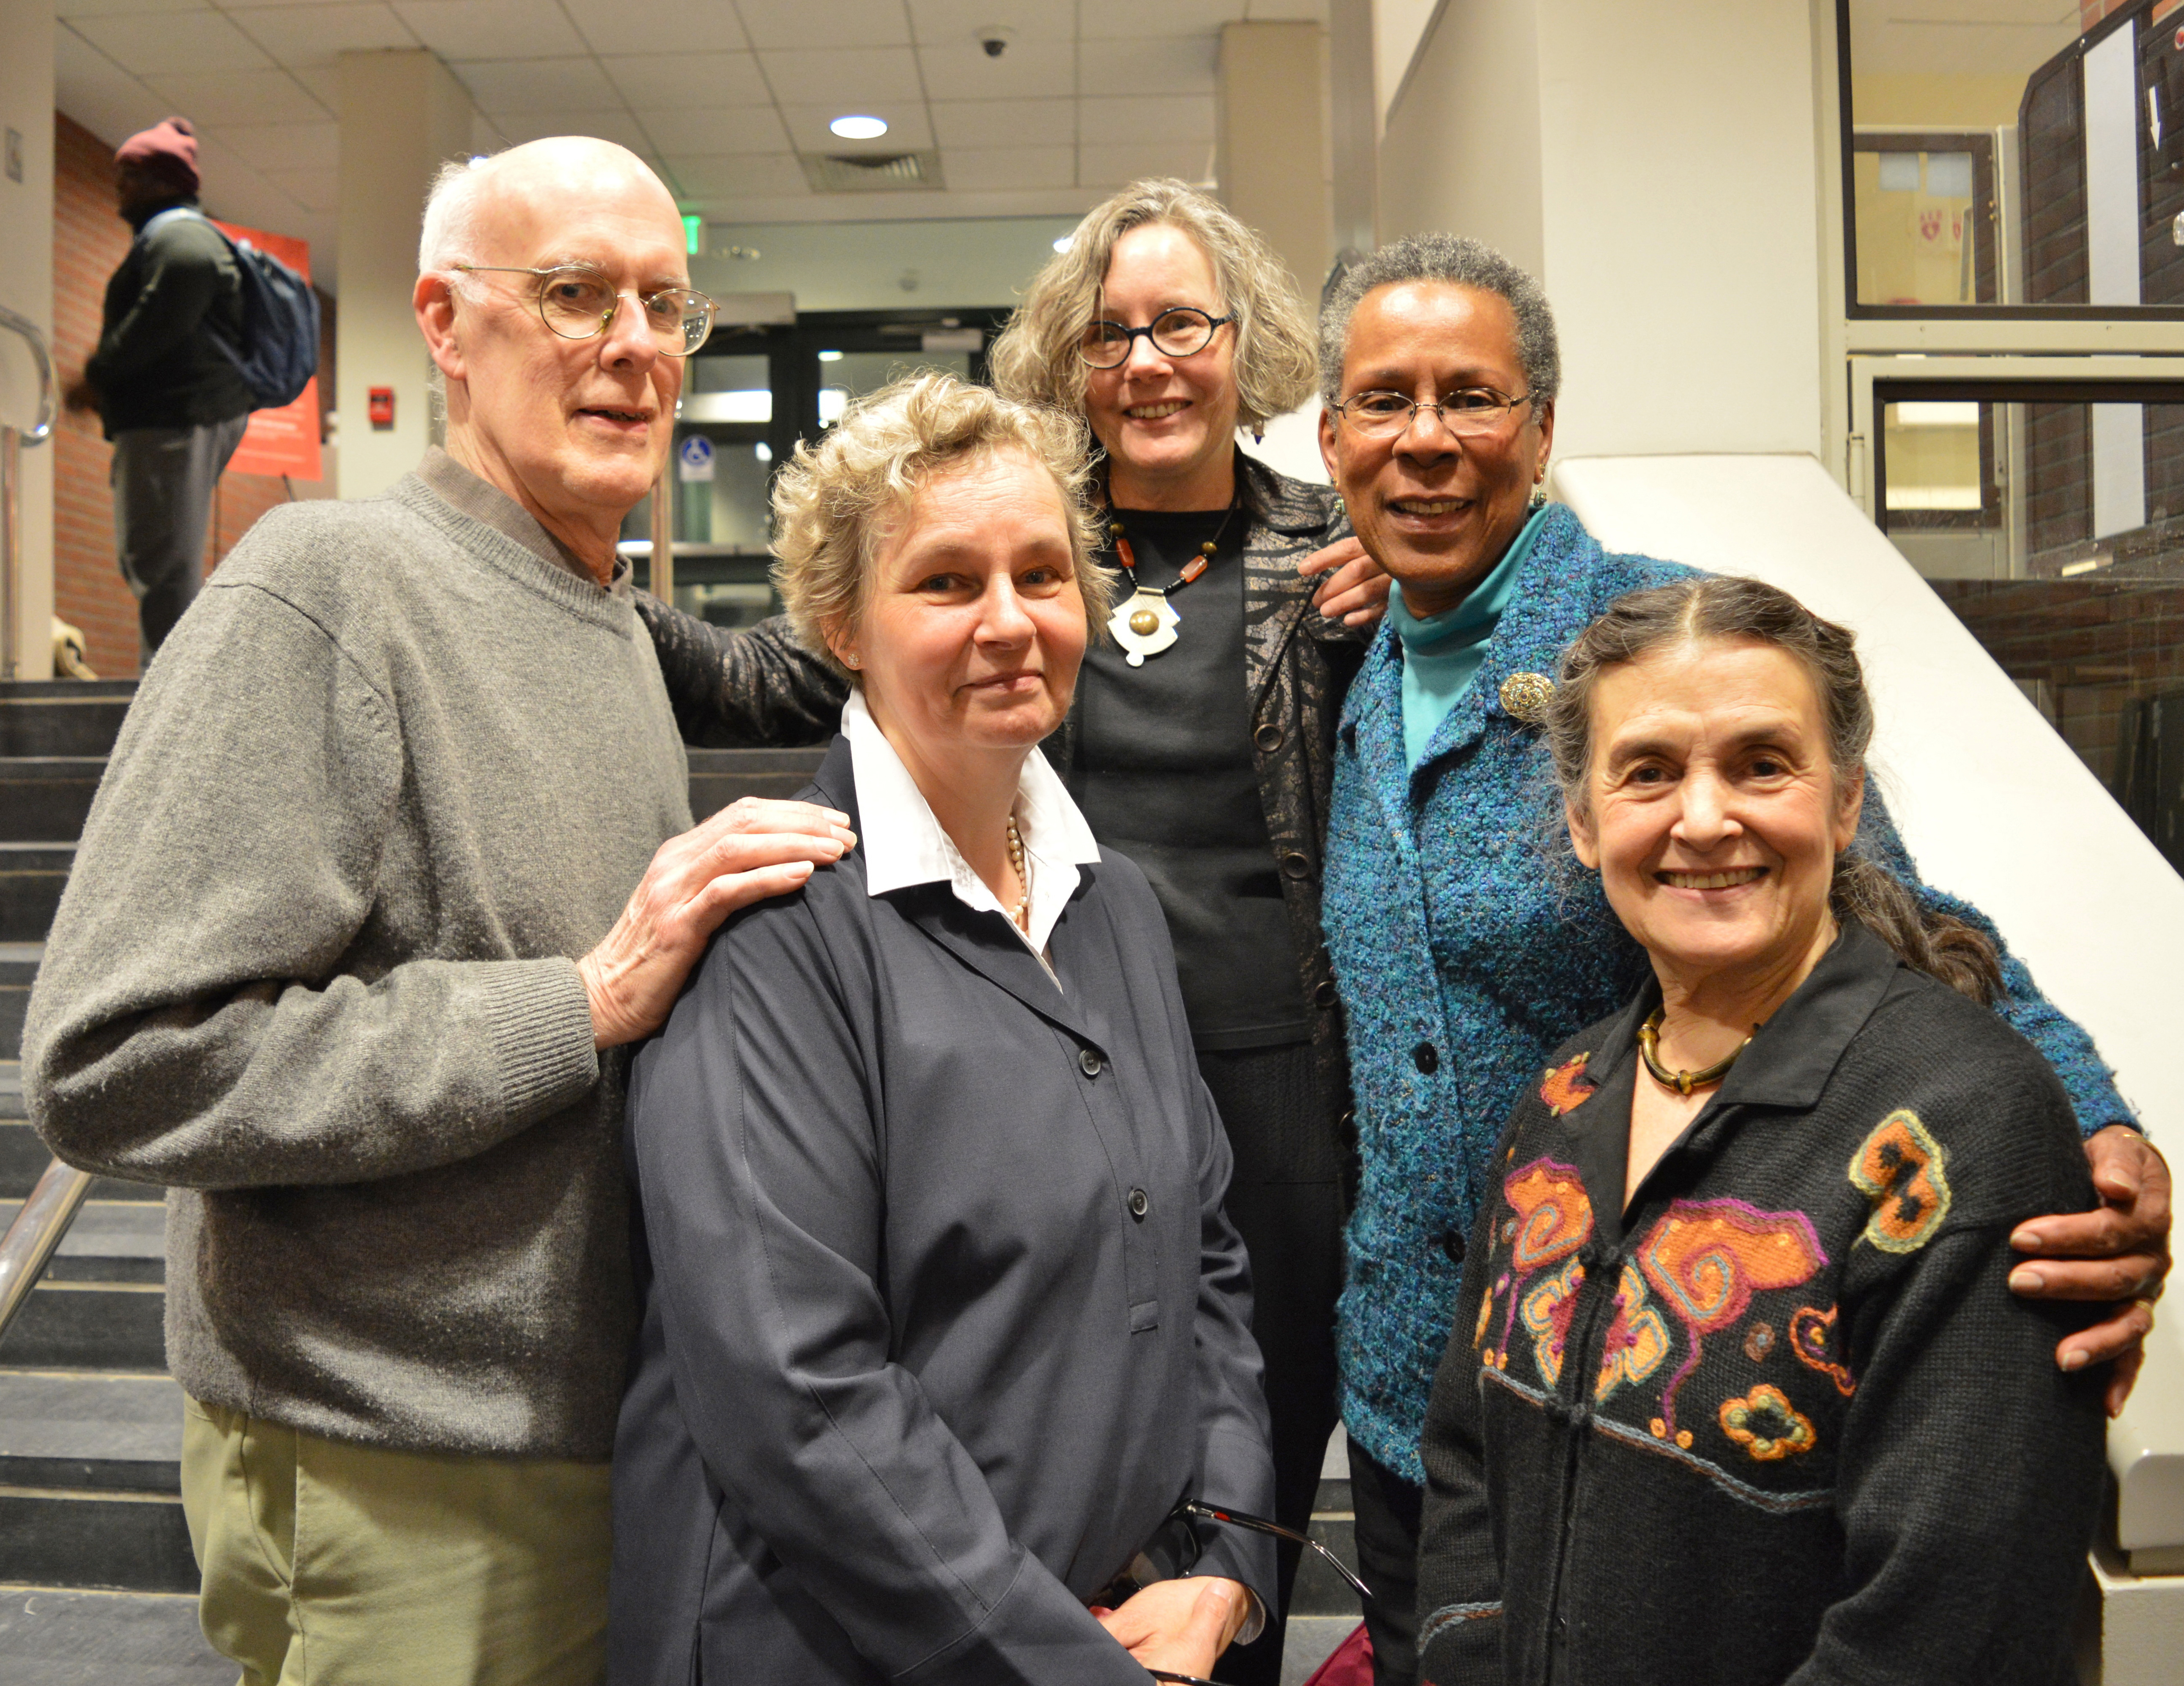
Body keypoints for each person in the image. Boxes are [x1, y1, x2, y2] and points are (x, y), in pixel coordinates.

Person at [23, 137, 850, 1686]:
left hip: (596, 1441)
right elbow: (111, 1060)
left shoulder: (598, 608)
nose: (632, 345)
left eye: (665, 305)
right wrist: (580, 999)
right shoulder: (326, 585)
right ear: (446, 326)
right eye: (572, 293)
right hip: (398, 1473)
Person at [1311, 234, 2171, 1683]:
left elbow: (1901, 908)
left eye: (1472, 397)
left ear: (1541, 424)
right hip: (1441, 1387)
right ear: (1329, 441)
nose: (1427, 439)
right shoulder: (1338, 656)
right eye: (1383, 402)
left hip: (1702, 1391)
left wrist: (2089, 1122)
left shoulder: (1663, 645)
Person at [635, 177, 1388, 1683]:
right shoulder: (791, 936)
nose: (1006, 615)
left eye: (1041, 577)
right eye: (945, 583)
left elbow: (1212, 1271)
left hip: (1259, 1086)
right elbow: (805, 1399)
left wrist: (1228, 1563)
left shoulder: (1329, 576)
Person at [1413, 575, 2105, 1685]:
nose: (1701, 818)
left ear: (1840, 804)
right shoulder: (1559, 1096)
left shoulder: (1963, 1124)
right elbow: (1464, 1463)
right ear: (1582, 825)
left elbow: (1947, 1627)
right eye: (1646, 771)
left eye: (1759, 763)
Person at [60, 116, 255, 660]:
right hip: (175, 418)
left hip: (174, 419)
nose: (119, 186)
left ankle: (172, 702)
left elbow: (165, 313)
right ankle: (170, 689)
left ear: (167, 182)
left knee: (165, 566)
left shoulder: (181, 237)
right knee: (158, 560)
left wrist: (99, 374)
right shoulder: (172, 235)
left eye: (132, 175)